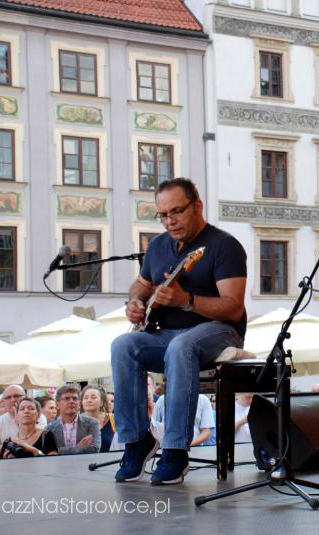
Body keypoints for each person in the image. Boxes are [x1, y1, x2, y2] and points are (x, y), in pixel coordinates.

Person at [110, 177, 247, 486]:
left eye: (177, 211)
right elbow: (142, 284)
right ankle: (137, 441)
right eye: (162, 214)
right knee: (123, 346)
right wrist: (135, 302)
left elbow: (233, 308)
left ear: (197, 206)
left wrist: (187, 300)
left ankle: (175, 449)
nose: (169, 220)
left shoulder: (224, 246)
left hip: (220, 331)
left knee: (181, 346)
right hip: (168, 333)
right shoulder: (159, 245)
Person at [46, 383, 101, 455]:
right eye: (67, 398)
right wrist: (77, 448)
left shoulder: (92, 424)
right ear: (57, 405)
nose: (71, 401)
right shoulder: (49, 429)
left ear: (79, 404)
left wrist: (59, 451)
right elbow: (48, 453)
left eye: (75, 398)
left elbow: (95, 448)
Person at [81, 385, 115, 453]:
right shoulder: (73, 421)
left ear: (102, 402)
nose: (89, 400)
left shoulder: (113, 419)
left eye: (93, 397)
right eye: (85, 398)